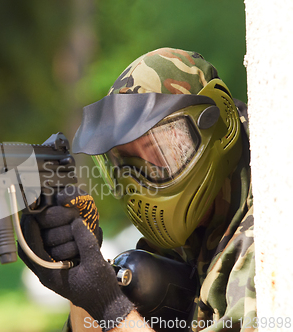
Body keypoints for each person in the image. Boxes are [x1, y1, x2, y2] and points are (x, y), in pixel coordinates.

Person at [18, 48, 255, 332]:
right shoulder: (185, 240)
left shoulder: (270, 237)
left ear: (220, 121)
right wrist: (78, 275)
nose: (138, 183)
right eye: (123, 165)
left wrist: (110, 308)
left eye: (158, 153)